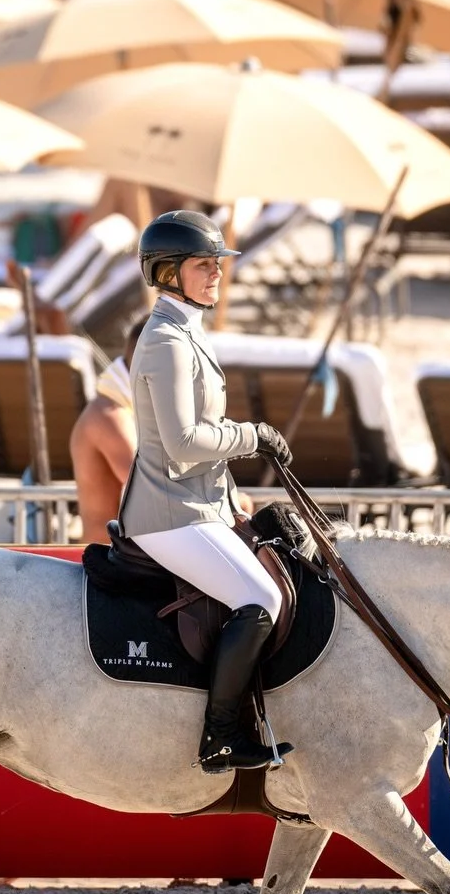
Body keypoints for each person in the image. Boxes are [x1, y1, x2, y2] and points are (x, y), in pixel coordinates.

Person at [118, 211, 294, 773]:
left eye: (218, 262)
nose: (217, 272)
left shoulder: (188, 330)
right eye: (203, 264)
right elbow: (182, 442)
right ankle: (219, 737)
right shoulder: (166, 340)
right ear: (167, 273)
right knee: (260, 599)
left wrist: (232, 495)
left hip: (200, 506)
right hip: (167, 515)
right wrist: (255, 435)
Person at [70, 321, 142, 546]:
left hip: (114, 558)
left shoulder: (121, 408)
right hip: (104, 563)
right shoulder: (110, 416)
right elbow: (149, 488)